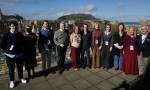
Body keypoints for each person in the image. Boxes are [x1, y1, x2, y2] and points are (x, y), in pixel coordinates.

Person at [0, 21, 27, 88]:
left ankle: (21, 78)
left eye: (15, 26)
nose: (14, 27)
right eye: (12, 26)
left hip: (19, 55)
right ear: (10, 27)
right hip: (10, 55)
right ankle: (12, 81)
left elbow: (23, 43)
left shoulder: (20, 34)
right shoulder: (6, 35)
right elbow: (1, 45)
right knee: (11, 69)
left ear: (17, 26)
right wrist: (7, 49)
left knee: (20, 68)